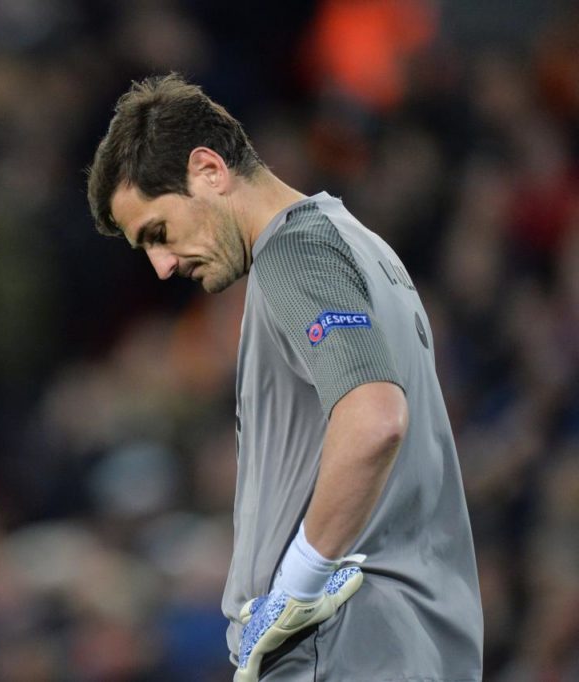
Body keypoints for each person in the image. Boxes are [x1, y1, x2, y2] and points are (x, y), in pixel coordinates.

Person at [85, 74, 483, 681]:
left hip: (346, 645)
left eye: (158, 233)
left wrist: (296, 585)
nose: (162, 267)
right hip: (405, 645)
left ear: (209, 170)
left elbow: (375, 419)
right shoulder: (364, 246)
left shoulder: (296, 252)